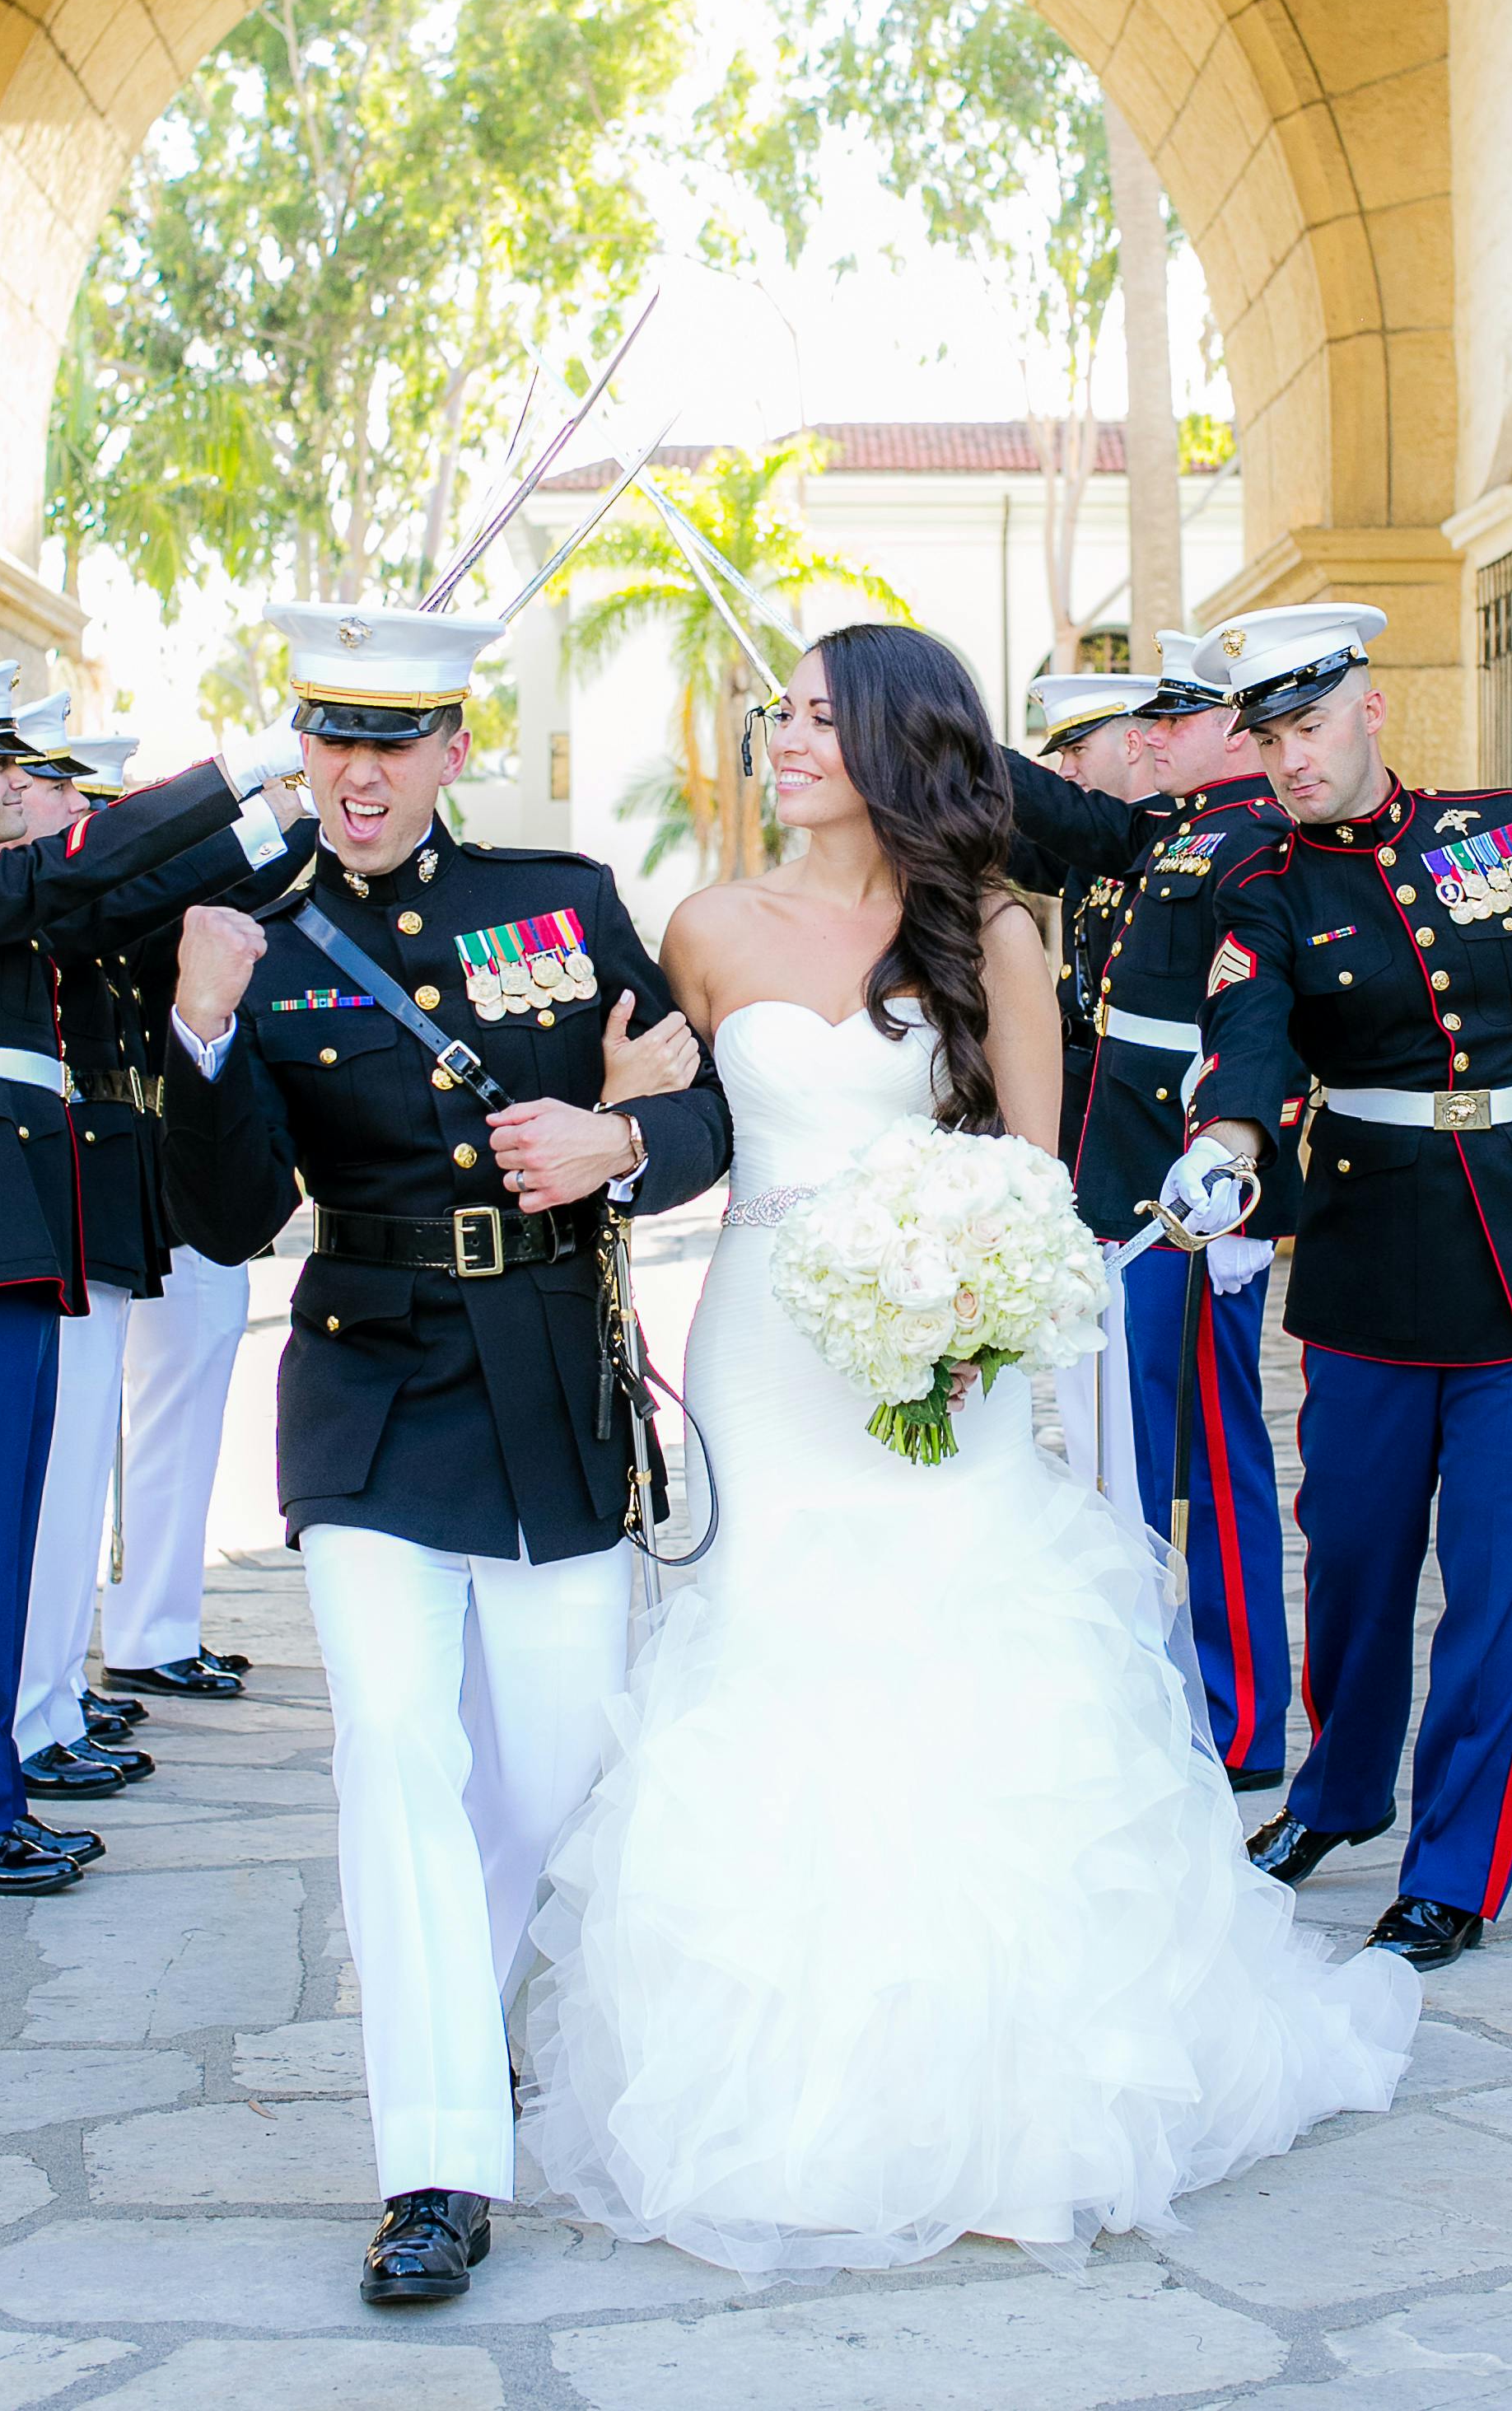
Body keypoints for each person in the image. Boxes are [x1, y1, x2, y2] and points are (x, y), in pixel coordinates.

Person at [521, 620, 1418, 2283]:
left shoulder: (992, 931)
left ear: (895, 738)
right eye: (778, 715)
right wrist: (619, 1110)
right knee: (776, 1656)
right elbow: (683, 1127)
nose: (784, 741)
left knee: (957, 1662)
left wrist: (976, 1317)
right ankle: (786, 2096)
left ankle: (1008, 2095)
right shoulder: (706, 926)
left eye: (816, 717)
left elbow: (1028, 1177)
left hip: (949, 1346)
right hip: (764, 1359)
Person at [157, 600, 732, 2309]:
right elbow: (225, 1213)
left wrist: (616, 1137)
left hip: (546, 1379)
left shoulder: (557, 903)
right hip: (365, 1387)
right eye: (331, 739)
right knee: (396, 1755)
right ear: (303, 749)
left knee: (548, 1780)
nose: (359, 773)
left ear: (451, 749)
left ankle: (467, 2031)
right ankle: (435, 2164)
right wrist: (201, 1032)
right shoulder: (261, 941)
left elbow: (703, 1110)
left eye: (392, 741)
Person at [1167, 603, 1512, 1967]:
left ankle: (1454, 1869)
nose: (1289, 760)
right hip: (1370, 1258)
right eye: (1266, 737)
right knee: (1357, 1560)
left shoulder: (1499, 831)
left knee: (1496, 1585)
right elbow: (1247, 1034)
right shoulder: (1264, 886)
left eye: (1309, 726)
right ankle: (1337, 1794)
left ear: (1368, 709)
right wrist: (1224, 1144)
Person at [0, 661, 296, 1895]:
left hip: (5, 1238)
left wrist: (273, 813)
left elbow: (118, 895)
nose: (16, 781)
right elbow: (75, 869)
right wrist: (238, 765)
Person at [1000, 633, 1304, 1790]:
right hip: (1122, 1186)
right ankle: (1157, 1685)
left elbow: (1261, 1026)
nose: (1150, 737)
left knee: (1213, 1468)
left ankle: (1240, 1720)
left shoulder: (1254, 835)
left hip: (1189, 1197)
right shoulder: (1174, 831)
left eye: (1172, 719)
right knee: (1121, 1462)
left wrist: (1234, 1186)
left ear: (1230, 726)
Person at [8, 701, 312, 1796]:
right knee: (70, 1450)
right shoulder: (27, 896)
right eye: (68, 795)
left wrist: (306, 804)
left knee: (173, 1393)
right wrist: (276, 805)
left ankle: (144, 1631)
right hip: (80, 1182)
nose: (80, 818)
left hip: (154, 1166)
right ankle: (47, 1686)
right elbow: (156, 898)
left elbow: (211, 893)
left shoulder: (98, 891)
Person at [1007, 672, 1155, 1502]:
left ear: (1135, 741)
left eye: (1077, 750)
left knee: (1153, 1420)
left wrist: (954, 740)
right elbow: (1000, 837)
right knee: (1092, 1405)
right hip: (1090, 1148)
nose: (1063, 770)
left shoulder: (1172, 834)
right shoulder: (1090, 849)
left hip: (1158, 1157)